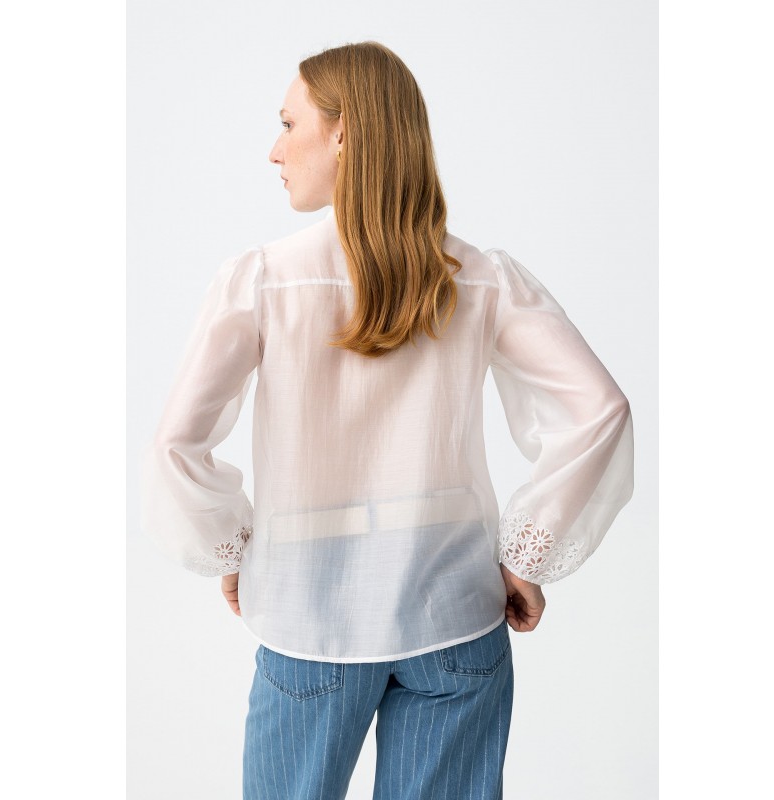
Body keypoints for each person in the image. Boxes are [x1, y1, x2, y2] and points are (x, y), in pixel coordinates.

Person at [140, 40, 634, 800]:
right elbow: (599, 410)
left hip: (310, 619)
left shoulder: (264, 281)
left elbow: (177, 444)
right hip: (455, 619)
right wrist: (524, 559)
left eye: (288, 123)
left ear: (343, 133)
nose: (274, 149)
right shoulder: (481, 278)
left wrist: (230, 550)